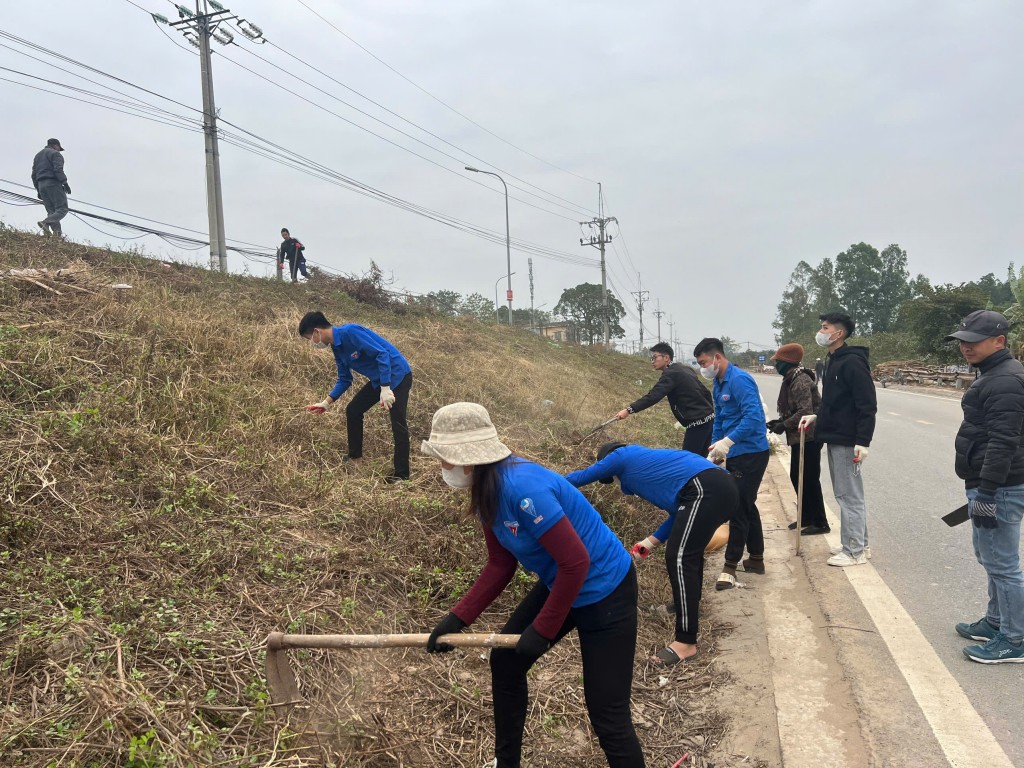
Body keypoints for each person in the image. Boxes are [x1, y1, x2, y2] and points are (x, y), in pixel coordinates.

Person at [422, 403, 645, 768]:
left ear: (466, 457)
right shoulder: (485, 490)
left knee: (608, 714)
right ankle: (506, 763)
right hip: (563, 582)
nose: (442, 467)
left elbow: (577, 562)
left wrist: (543, 629)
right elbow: (500, 564)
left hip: (606, 590)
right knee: (506, 663)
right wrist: (458, 618)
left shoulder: (523, 488)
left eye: (443, 458)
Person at [565, 442, 737, 667]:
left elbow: (580, 477)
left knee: (679, 557)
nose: (615, 483)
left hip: (706, 488)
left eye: (611, 477)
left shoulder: (621, 455)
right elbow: (679, 514)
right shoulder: (652, 466)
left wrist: (543, 484)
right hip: (717, 488)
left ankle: (686, 642)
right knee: (687, 553)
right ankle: (684, 605)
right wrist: (648, 543)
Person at [946, 310, 1024, 664]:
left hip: (1001, 488)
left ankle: (1014, 639)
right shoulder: (995, 374)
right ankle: (996, 622)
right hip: (992, 484)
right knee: (991, 558)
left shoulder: (1004, 380)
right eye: (963, 340)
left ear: (999, 342)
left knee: (1002, 563)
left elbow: (1003, 441)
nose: (966, 347)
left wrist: (988, 493)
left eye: (974, 341)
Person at [798, 312, 876, 566]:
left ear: (838, 333)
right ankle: (858, 543)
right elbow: (835, 403)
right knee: (850, 493)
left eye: (825, 327)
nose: (820, 332)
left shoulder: (852, 362)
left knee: (847, 495)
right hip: (835, 434)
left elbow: (866, 404)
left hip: (846, 439)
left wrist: (863, 441)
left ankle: (854, 552)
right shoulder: (834, 360)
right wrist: (816, 417)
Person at [299, 311, 412, 482]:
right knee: (353, 410)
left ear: (317, 332)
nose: (313, 343)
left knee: (398, 423)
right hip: (379, 381)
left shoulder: (350, 332)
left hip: (397, 375)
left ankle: (401, 476)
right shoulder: (337, 348)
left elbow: (382, 354)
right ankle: (355, 458)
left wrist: (386, 388)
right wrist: (326, 403)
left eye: (310, 339)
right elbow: (345, 379)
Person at [693, 337, 770, 589]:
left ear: (717, 357)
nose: (703, 368)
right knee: (747, 504)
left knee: (738, 506)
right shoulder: (718, 382)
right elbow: (720, 418)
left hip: (751, 453)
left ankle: (730, 566)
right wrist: (716, 446)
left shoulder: (739, 380)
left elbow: (754, 418)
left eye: (704, 362)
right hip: (735, 453)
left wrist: (729, 441)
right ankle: (756, 558)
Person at [767, 343, 829, 535]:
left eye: (778, 361)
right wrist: (780, 421)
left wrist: (784, 425)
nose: (776, 365)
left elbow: (805, 411)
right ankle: (806, 516)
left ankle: (820, 522)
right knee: (797, 476)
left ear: (787, 362)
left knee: (809, 478)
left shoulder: (800, 380)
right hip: (799, 435)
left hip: (809, 436)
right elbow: (795, 410)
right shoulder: (791, 379)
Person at [614, 342, 715, 455]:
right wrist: (709, 412)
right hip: (708, 421)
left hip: (697, 424)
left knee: (687, 463)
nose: (652, 361)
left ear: (666, 358)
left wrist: (629, 409)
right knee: (701, 462)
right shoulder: (684, 368)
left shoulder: (671, 373)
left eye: (655, 357)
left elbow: (653, 396)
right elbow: (706, 392)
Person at [31, 138, 70, 237]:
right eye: (58, 148)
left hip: (41, 185)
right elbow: (58, 169)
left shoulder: (37, 156)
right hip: (52, 183)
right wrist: (64, 182)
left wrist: (38, 189)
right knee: (62, 208)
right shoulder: (55, 154)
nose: (58, 150)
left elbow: (33, 175)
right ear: (55, 145)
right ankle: (45, 222)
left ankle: (57, 234)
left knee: (52, 211)